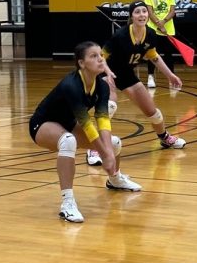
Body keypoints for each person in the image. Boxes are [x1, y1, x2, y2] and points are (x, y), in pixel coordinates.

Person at [29, 41, 142, 223]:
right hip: (43, 124)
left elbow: (103, 119)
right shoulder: (71, 85)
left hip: (68, 122)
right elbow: (87, 124)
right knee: (68, 141)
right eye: (93, 56)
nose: (100, 59)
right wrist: (104, 154)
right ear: (81, 63)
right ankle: (67, 203)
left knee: (113, 143)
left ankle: (115, 179)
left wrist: (108, 153)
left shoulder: (102, 86)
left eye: (101, 55)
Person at [86, 0, 186, 166]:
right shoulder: (120, 36)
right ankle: (94, 148)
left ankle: (165, 138)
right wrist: (106, 75)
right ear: (131, 16)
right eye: (137, 12)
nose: (142, 15)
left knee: (154, 113)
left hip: (126, 74)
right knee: (109, 106)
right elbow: (100, 57)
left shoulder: (150, 34)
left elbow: (154, 56)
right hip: (107, 72)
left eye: (144, 11)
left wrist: (170, 76)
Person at [145, 0, 176, 88]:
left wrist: (164, 22)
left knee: (168, 54)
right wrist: (159, 24)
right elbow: (150, 12)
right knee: (152, 53)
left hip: (168, 29)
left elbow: (172, 11)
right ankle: (150, 76)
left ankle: (171, 77)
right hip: (153, 29)